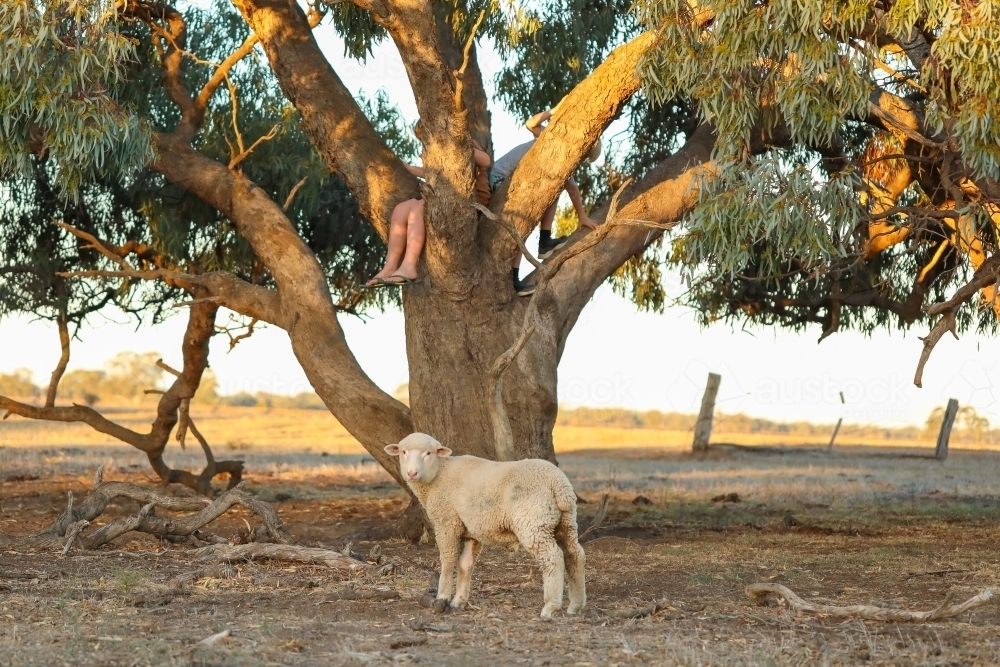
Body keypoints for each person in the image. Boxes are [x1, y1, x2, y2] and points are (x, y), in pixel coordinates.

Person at [488, 108, 601, 296]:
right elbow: (530, 123)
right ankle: (516, 275)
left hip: (510, 183)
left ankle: (544, 241)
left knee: (553, 190)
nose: (580, 159)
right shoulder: (551, 141)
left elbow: (570, 186)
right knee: (525, 220)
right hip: (500, 179)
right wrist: (556, 110)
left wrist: (582, 216)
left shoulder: (561, 163)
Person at [365, 141, 492, 288]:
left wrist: (456, 146)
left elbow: (486, 160)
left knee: (419, 207)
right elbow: (435, 174)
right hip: (445, 197)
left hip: (473, 201)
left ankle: (409, 267)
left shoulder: (461, 144)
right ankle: (390, 267)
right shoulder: (437, 152)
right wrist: (407, 167)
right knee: (400, 210)